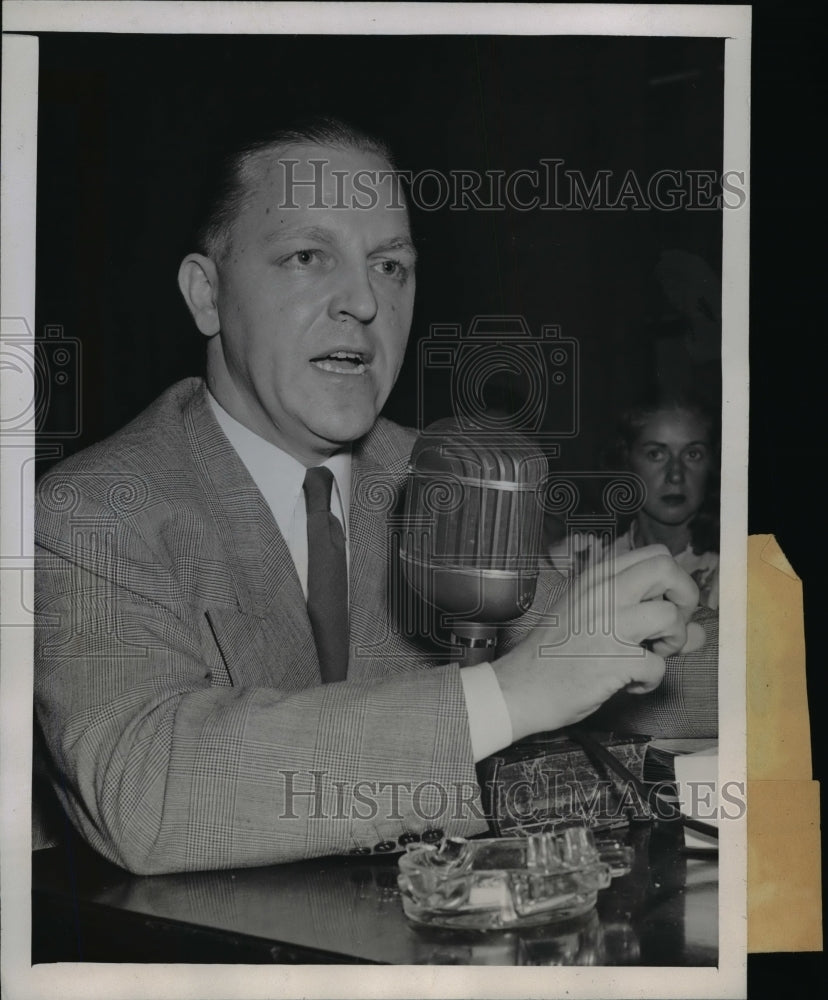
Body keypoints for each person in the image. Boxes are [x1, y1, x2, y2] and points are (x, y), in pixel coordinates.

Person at [34, 118, 711, 875]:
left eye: (390, 266)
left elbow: (623, 691)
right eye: (307, 256)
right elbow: (144, 794)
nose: (361, 300)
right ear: (206, 295)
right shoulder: (91, 513)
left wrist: (690, 634)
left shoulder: (454, 479)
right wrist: (508, 695)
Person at [551, 394, 720, 609]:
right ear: (626, 460)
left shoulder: (735, 572)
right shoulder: (576, 561)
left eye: (693, 454)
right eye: (656, 454)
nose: (676, 475)